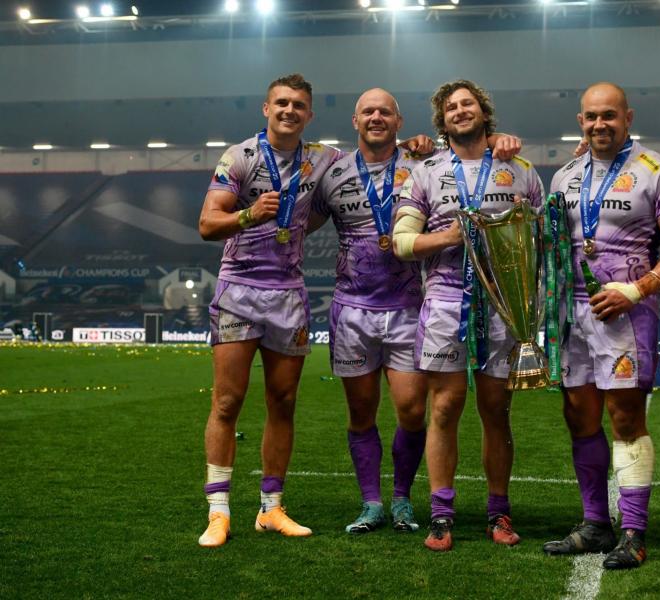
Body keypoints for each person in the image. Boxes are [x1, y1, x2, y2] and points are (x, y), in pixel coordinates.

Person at [309, 88, 520, 535]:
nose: (376, 117)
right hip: (352, 306)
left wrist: (503, 140)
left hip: (410, 304)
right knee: (361, 413)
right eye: (368, 111)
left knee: (413, 410)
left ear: (401, 121)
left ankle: (404, 499)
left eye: (385, 111)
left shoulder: (420, 163)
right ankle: (371, 503)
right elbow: (301, 218)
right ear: (354, 120)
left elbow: (474, 158)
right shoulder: (334, 170)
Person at [542, 82, 660, 570]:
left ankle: (633, 530)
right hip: (571, 311)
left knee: (626, 419)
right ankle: (594, 523)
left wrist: (639, 288)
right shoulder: (564, 176)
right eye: (590, 117)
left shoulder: (655, 171)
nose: (599, 124)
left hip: (624, 310)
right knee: (578, 416)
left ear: (627, 118)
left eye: (609, 115)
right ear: (579, 121)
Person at [391, 79, 543, 552]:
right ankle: (441, 513)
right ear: (442, 120)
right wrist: (445, 239)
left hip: (503, 305)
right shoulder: (424, 172)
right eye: (451, 107)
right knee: (444, 408)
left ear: (484, 112)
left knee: (496, 410)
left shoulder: (518, 169)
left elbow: (543, 236)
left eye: (468, 104)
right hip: (444, 301)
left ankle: (499, 511)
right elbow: (401, 242)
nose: (460, 111)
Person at [196, 73, 340, 547]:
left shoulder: (322, 159)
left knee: (283, 403)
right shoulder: (238, 157)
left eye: (299, 104)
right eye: (281, 103)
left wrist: (418, 145)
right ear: (266, 109)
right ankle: (219, 512)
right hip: (239, 289)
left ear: (309, 114)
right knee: (227, 401)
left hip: (289, 295)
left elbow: (371, 163)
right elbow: (206, 223)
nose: (289, 111)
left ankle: (271, 509)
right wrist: (248, 215)